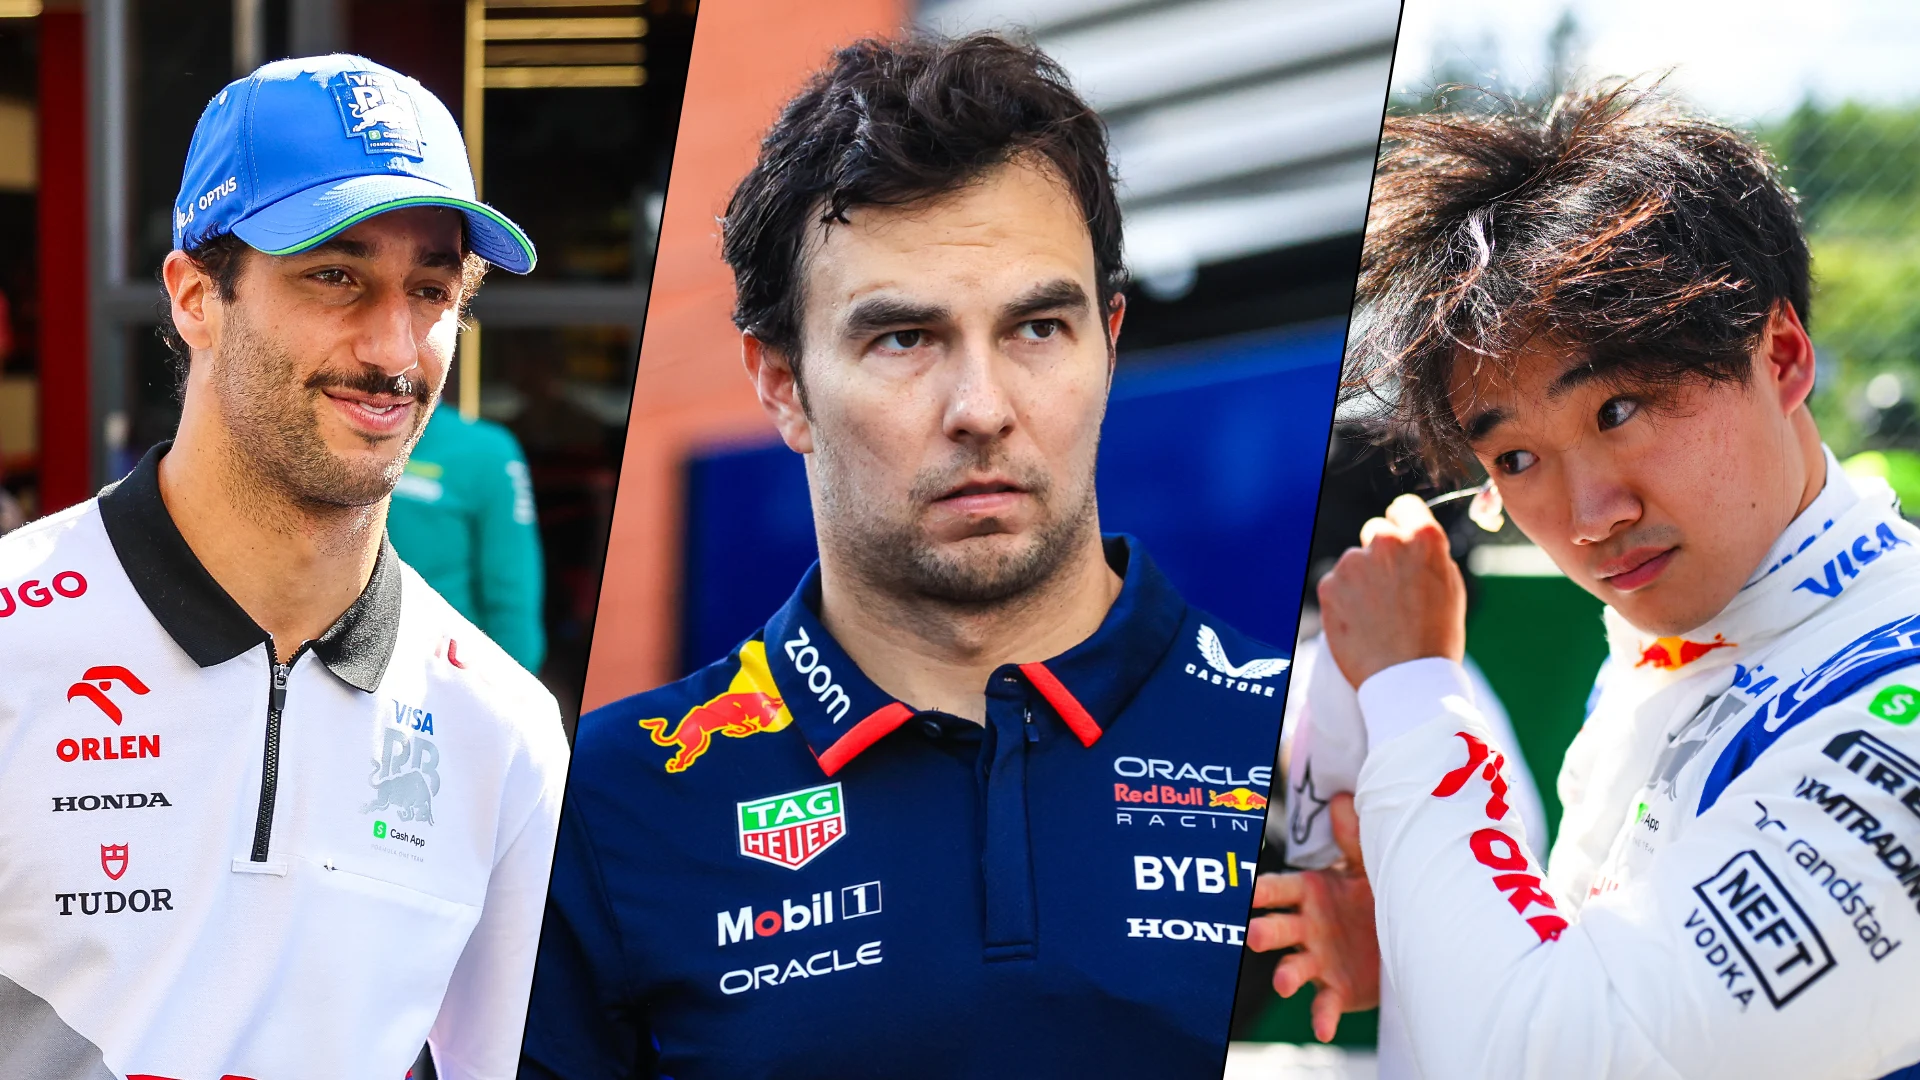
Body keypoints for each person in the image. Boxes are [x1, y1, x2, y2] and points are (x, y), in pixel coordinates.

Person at [522, 34, 1290, 1079]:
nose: (981, 410)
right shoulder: (608, 803)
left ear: (1108, 340)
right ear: (783, 383)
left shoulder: (1293, 745)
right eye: (902, 339)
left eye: (1037, 328)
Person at [1250, 83, 1920, 1079]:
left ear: (1779, 356)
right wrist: (1448, 955)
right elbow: (1599, 984)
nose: (1589, 516)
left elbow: (1563, 1060)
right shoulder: (1686, 630)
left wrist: (1410, 688)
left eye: (1619, 412)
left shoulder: (1888, 688)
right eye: (1515, 459)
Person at [0, 55, 568, 1078]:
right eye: (336, 276)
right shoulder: (14, 640)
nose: (394, 347)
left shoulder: (507, 733)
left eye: (431, 289)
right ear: (194, 297)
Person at [388, 406, 547, 671]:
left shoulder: (487, 450)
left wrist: (511, 689)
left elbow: (512, 588)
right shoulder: (323, 431)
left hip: (437, 675)